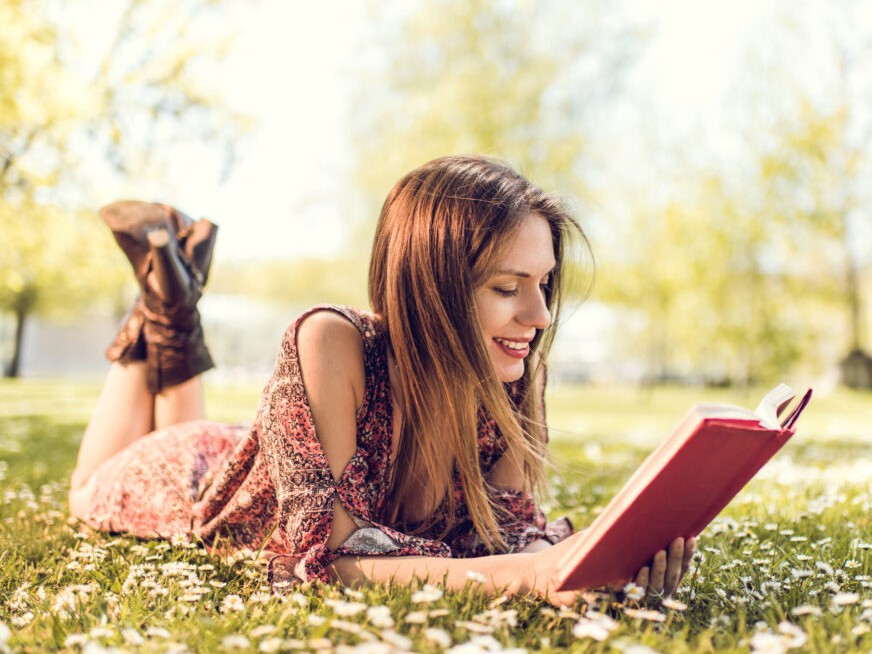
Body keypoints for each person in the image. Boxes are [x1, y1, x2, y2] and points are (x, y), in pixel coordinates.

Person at [67, 155, 697, 605]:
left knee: (204, 440)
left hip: (242, 456)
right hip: (187, 474)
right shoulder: (330, 340)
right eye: (507, 287)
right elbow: (333, 560)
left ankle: (173, 286)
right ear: (432, 288)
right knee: (86, 492)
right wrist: (530, 575)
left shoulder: (508, 366)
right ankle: (164, 303)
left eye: (543, 284)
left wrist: (586, 559)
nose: (538, 317)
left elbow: (505, 534)